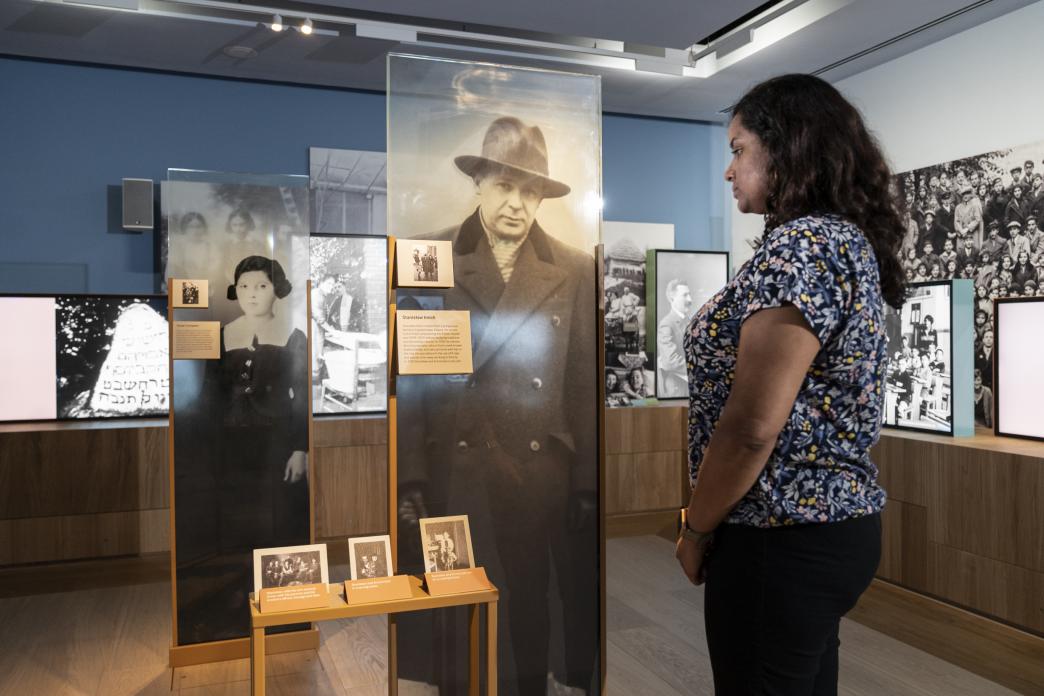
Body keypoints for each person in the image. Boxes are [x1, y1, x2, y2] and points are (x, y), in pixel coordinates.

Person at [677, 74, 902, 695]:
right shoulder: (840, 241)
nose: (730, 170)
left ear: (786, 149)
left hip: (780, 533)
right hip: (824, 529)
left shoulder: (803, 246)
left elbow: (752, 427)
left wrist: (696, 529)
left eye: (738, 149)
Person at [396, 115, 597, 695]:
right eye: (505, 186)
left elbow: (580, 382)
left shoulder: (576, 268)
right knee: (457, 594)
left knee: (531, 597)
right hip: (455, 466)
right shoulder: (428, 256)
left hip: (538, 472)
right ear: (478, 183)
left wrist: (585, 481)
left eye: (530, 190)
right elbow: (411, 376)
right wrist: (411, 473)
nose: (516, 204)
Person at [189, 255, 309, 641]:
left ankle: (278, 599)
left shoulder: (294, 335)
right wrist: (207, 448)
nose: (251, 294)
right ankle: (240, 597)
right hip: (231, 444)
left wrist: (300, 448)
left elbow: (301, 397)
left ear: (277, 290)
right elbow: (209, 397)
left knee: (276, 517)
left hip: (276, 443)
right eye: (244, 286)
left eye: (261, 286)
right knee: (237, 516)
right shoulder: (223, 334)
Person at [657, 278, 692, 398]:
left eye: (689, 294)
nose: (690, 299)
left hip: (691, 384)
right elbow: (670, 361)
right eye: (685, 295)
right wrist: (699, 368)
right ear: (672, 299)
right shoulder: (666, 324)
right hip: (677, 388)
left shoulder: (690, 321)